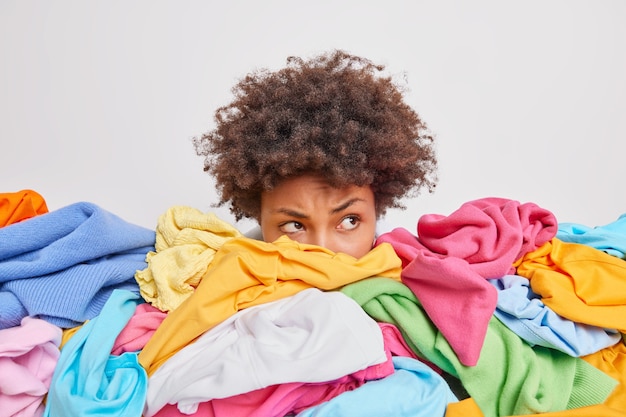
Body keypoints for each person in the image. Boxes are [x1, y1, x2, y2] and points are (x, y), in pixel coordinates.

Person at [193, 49, 437, 259]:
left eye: (349, 221)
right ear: (260, 219)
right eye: (293, 226)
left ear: (376, 208)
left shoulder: (418, 285)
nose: (323, 252)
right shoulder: (221, 294)